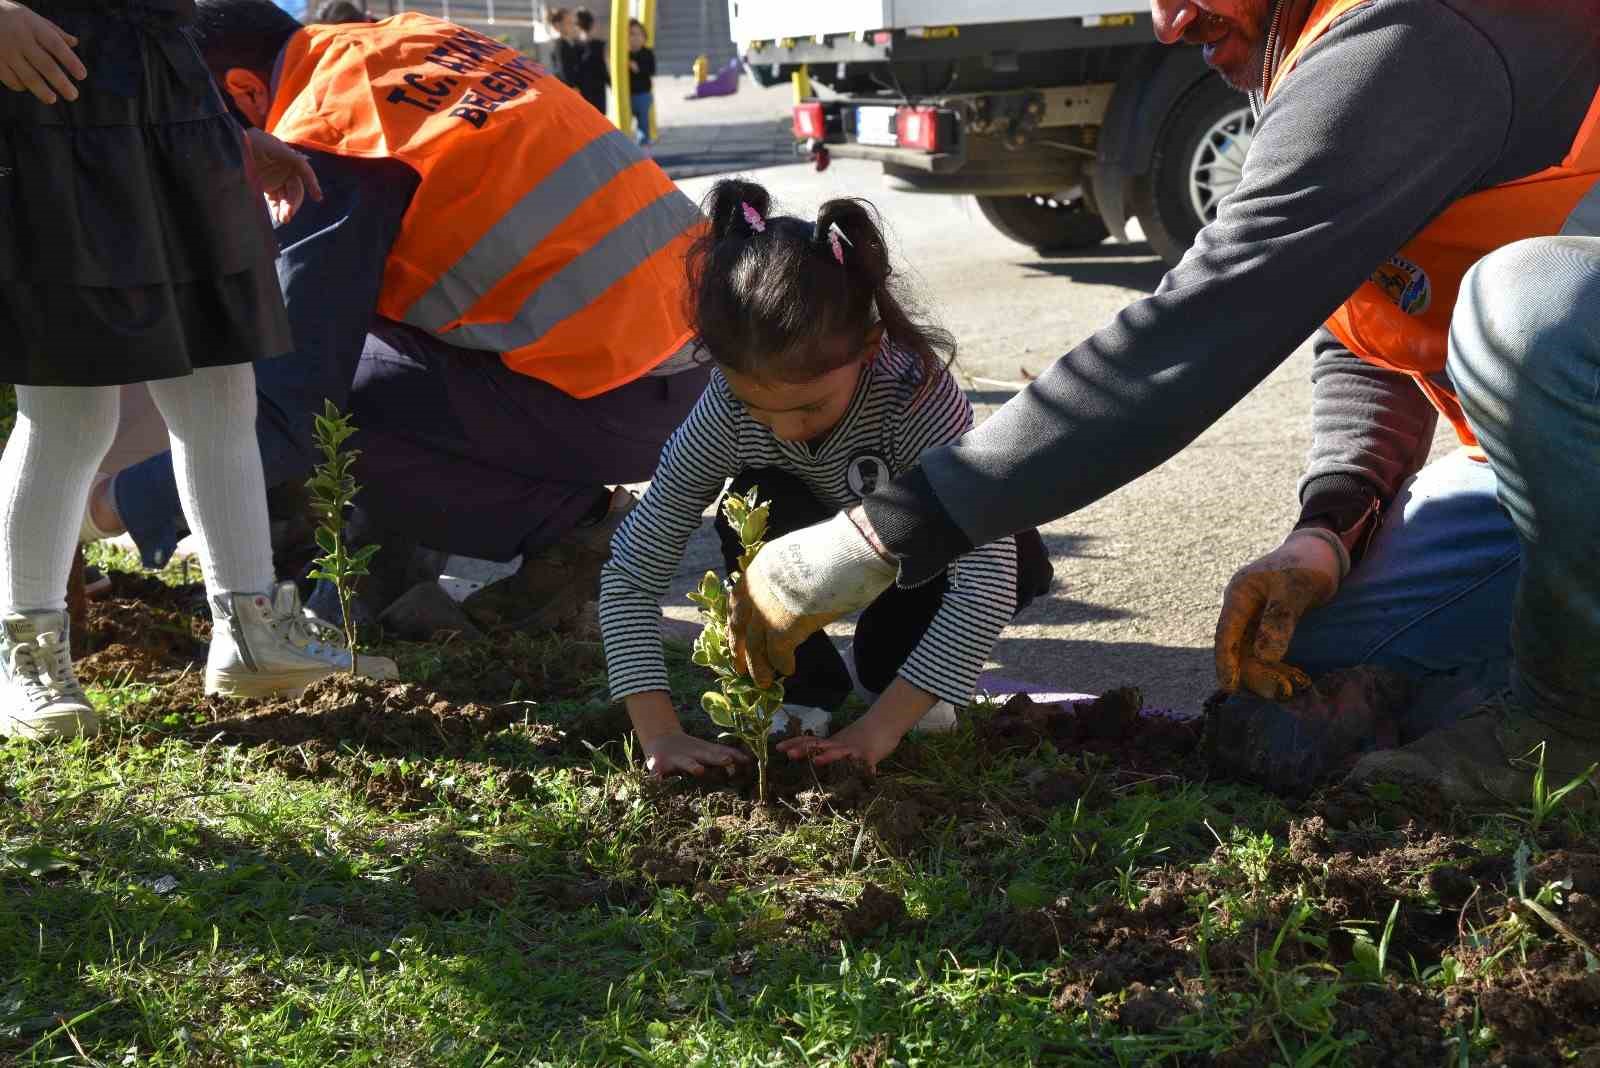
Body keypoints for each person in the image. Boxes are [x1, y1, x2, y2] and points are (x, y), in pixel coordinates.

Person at [725, 0, 1600, 807]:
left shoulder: (1414, 27)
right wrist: (1329, 529)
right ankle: (1524, 689)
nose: (1168, 20)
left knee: (1525, 306)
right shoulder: (1302, 51)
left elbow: (1202, 323)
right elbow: (1371, 313)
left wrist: (884, 530)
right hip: (1559, 480)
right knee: (1304, 664)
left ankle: (1567, 733)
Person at [80, 0, 708, 634]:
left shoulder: (327, 135)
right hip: (690, 372)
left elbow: (282, 414)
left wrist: (105, 507)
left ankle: (571, 527)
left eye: (196, 128)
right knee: (341, 340)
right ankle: (384, 567)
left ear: (244, 92)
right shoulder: (407, 41)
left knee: (319, 399)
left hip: (617, 398)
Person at [0, 0, 395, 739]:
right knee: (70, 409)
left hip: (177, 115)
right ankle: (23, 654)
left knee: (220, 388)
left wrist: (228, 133)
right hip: (45, 114)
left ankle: (251, 635)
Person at [600, 180, 1052, 778]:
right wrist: (660, 734)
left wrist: (878, 730)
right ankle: (805, 688)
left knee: (893, 668)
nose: (785, 430)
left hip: (922, 557)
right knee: (756, 499)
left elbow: (987, 575)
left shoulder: (912, 394)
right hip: (808, 529)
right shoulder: (724, 412)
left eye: (809, 408)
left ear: (868, 346)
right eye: (759, 408)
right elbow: (631, 573)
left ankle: (897, 680)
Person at [571, 7, 608, 116]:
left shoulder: (573, 46)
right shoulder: (600, 44)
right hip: (598, 88)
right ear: (592, 24)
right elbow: (603, 67)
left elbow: (574, 70)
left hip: (583, 89)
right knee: (600, 119)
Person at [625, 17, 653, 147]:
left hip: (642, 94)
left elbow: (651, 70)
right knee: (626, 121)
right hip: (627, 94)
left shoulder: (647, 53)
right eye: (631, 34)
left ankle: (644, 143)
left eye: (638, 34)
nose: (635, 38)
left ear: (644, 37)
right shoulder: (625, 54)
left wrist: (638, 68)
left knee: (643, 121)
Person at [545, 6, 580, 89]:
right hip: (570, 91)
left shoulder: (570, 43)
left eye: (572, 22)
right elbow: (565, 73)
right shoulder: (560, 45)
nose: (572, 25)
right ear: (558, 25)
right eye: (568, 22)